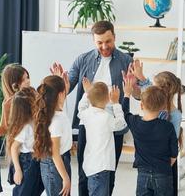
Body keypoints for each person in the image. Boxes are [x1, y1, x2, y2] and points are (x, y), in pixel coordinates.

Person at [51, 20, 133, 195]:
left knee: (109, 172)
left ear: (114, 37)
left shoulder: (126, 60)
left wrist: (137, 84)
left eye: (108, 41)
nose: (104, 46)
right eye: (99, 42)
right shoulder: (83, 60)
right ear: (94, 41)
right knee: (84, 170)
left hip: (114, 124)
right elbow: (66, 89)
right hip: (88, 124)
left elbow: (138, 93)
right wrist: (60, 83)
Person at [128, 61, 183, 195]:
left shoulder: (174, 115)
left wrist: (161, 168)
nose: (151, 88)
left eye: (154, 86)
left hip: (163, 166)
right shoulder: (156, 104)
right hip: (153, 165)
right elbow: (147, 88)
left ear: (162, 91)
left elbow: (172, 147)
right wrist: (139, 77)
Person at [78, 79, 127, 196]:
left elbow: (81, 108)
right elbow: (122, 124)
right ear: (107, 100)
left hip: (90, 166)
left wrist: (86, 92)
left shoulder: (86, 115)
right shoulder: (107, 118)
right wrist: (116, 103)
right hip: (102, 167)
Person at [33, 75, 72, 196]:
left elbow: (60, 99)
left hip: (60, 161)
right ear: (60, 95)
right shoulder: (55, 121)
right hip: (55, 165)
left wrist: (64, 87)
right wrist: (65, 177)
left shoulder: (57, 111)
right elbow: (55, 153)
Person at [6, 87, 44, 196]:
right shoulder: (26, 127)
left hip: (35, 160)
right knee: (24, 191)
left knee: (34, 189)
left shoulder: (33, 121)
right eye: (36, 99)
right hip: (28, 161)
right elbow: (14, 147)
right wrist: (18, 170)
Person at [1, 63, 30, 127]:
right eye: (23, 80)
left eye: (27, 77)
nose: (28, 81)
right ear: (13, 85)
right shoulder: (8, 103)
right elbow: (5, 129)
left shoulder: (30, 97)